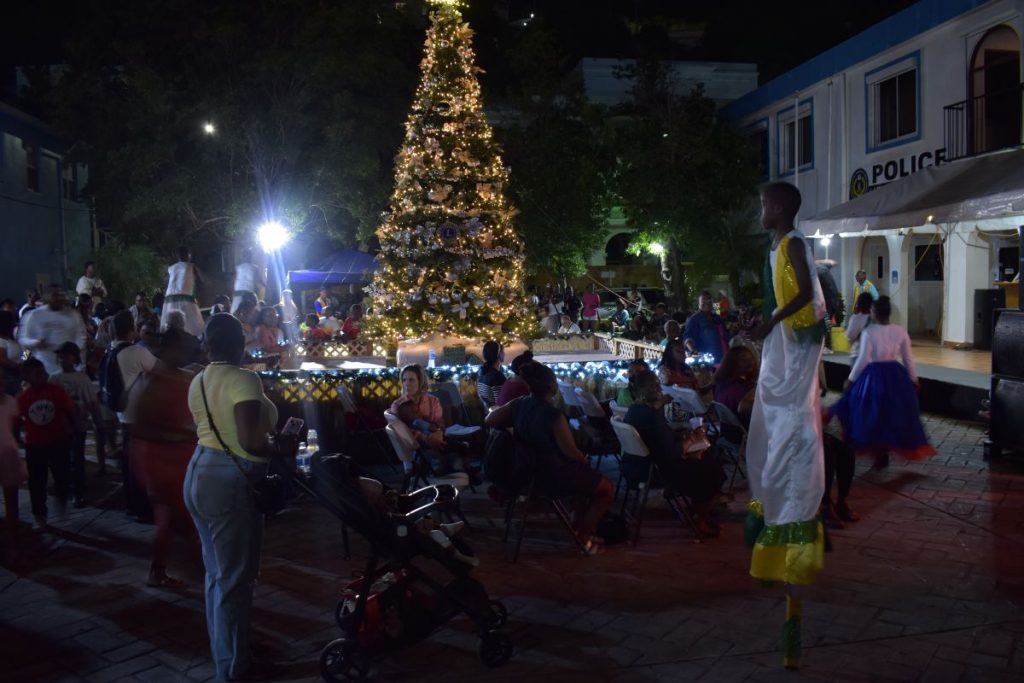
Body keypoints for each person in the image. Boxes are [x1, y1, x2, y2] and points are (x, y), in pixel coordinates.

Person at [183, 313, 297, 681]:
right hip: (231, 481)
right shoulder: (244, 378)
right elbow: (249, 441)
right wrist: (282, 447)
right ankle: (233, 670)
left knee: (217, 575)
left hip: (199, 472)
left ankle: (230, 655)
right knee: (235, 579)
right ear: (238, 343)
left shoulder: (198, 380)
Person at [747, 181, 828, 669]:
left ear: (777, 208)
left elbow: (804, 293)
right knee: (773, 420)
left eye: (762, 204)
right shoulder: (777, 245)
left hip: (794, 345)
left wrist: (772, 319)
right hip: (784, 344)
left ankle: (794, 506)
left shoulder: (793, 243)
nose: (760, 210)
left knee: (791, 421)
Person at [485, 362, 614, 554]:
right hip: (549, 475)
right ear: (552, 388)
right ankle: (583, 538)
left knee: (585, 479)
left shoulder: (519, 404)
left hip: (526, 471)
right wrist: (584, 460)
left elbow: (489, 420)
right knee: (606, 489)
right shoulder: (553, 415)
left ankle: (576, 525)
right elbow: (571, 452)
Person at [828, 296, 936, 469]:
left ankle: (878, 451)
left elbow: (863, 359)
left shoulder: (869, 332)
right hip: (895, 376)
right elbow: (908, 358)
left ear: (875, 312)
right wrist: (913, 379)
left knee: (872, 412)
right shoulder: (900, 331)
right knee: (891, 413)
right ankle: (884, 450)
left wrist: (850, 380)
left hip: (874, 375)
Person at [128, 332, 197, 588]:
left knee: (179, 515)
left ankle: (190, 566)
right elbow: (143, 428)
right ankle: (167, 570)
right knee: (174, 515)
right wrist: (183, 434)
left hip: (177, 457)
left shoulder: (179, 378)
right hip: (161, 460)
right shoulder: (153, 382)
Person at [624, 371, 725, 537]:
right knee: (713, 468)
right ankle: (699, 520)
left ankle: (696, 511)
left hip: (640, 466)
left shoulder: (634, 410)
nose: (658, 388)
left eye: (658, 384)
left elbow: (660, 438)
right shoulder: (651, 415)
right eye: (652, 385)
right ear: (640, 389)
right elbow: (672, 452)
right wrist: (693, 438)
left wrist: (681, 435)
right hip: (659, 470)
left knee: (707, 460)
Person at [17, 358, 75, 531]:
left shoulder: (56, 391)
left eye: (43, 372)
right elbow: (16, 420)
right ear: (28, 377)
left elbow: (70, 410)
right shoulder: (23, 397)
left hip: (58, 440)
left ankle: (62, 498)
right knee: (37, 481)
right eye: (38, 374)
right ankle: (39, 514)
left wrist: (73, 429)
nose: (43, 376)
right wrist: (17, 438)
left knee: (62, 475)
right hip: (35, 444)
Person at [111, 310, 159, 519]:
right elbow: (161, 369)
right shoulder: (136, 352)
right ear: (132, 330)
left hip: (122, 415)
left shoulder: (111, 350)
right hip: (137, 414)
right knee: (139, 463)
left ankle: (131, 504)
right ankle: (142, 508)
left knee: (130, 461)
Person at [50, 342, 104, 508]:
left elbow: (92, 402)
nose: (61, 358)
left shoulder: (82, 379)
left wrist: (98, 422)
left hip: (77, 425)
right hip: (59, 427)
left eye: (65, 355)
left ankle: (77, 493)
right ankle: (65, 489)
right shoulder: (54, 378)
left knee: (77, 460)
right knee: (61, 459)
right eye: (60, 355)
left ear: (74, 358)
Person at [17, 284, 88, 376]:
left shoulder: (73, 315)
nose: (58, 298)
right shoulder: (34, 315)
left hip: (68, 369)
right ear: (45, 296)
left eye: (61, 294)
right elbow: (22, 339)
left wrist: (80, 365)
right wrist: (35, 343)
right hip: (44, 369)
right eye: (55, 295)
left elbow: (81, 341)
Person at [0, 366, 27, 569]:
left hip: (8, 456)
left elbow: (14, 427)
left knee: (12, 504)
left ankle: (13, 546)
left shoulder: (10, 401)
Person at [161, 246, 205, 337]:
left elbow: (166, 283)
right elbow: (203, 279)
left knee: (169, 324)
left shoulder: (171, 268)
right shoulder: (191, 266)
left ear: (178, 256)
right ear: (189, 255)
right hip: (185, 297)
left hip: (169, 299)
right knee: (195, 325)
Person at [711, 346, 759, 422]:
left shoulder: (720, 383)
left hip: (727, 429)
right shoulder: (744, 389)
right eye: (744, 360)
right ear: (732, 362)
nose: (750, 362)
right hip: (746, 431)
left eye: (751, 359)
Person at [682, 290, 728, 364]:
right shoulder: (694, 319)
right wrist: (693, 351)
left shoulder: (717, 318)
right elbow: (687, 337)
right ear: (699, 303)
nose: (707, 302)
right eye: (703, 300)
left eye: (709, 300)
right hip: (707, 361)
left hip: (723, 357)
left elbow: (724, 335)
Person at [231, 250, 266, 315]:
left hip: (244, 293)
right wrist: (264, 285)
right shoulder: (254, 268)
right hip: (247, 293)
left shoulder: (239, 267)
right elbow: (259, 280)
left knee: (237, 311)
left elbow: (234, 280)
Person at [0, 311, 24, 396]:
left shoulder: (13, 339)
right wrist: (17, 365)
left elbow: (25, 352)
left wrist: (24, 360)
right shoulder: (1, 340)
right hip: (8, 375)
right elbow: (1, 359)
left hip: (19, 373)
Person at [476, 341, 506, 409]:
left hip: (488, 413)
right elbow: (501, 404)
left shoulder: (482, 372)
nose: (504, 354)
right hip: (497, 416)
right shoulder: (497, 376)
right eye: (503, 352)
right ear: (499, 354)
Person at [844, 292, 874, 358]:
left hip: (858, 354)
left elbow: (850, 335)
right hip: (874, 356)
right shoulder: (876, 318)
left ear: (859, 304)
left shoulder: (855, 318)